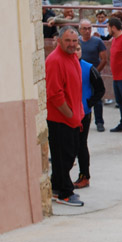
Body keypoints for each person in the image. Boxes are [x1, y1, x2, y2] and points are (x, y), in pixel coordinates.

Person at [45, 27, 86, 206]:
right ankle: (65, 193)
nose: (71, 44)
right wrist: (70, 115)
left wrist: (78, 113)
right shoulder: (54, 60)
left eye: (74, 41)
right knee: (63, 157)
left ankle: (56, 187)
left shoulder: (72, 57)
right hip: (60, 120)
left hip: (72, 118)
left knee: (68, 156)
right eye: (68, 40)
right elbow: (54, 94)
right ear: (59, 41)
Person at [74, 42, 105, 190]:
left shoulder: (88, 68)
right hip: (67, 112)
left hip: (83, 113)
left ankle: (84, 176)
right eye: (74, 49)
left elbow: (100, 89)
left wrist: (89, 103)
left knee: (81, 145)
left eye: (78, 49)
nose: (76, 51)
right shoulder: (64, 66)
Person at [78, 19, 108, 132]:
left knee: (97, 98)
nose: (87, 31)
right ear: (80, 30)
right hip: (80, 75)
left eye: (89, 28)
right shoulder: (77, 42)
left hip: (93, 74)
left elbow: (104, 59)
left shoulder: (97, 41)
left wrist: (95, 72)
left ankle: (99, 122)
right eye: (84, 29)